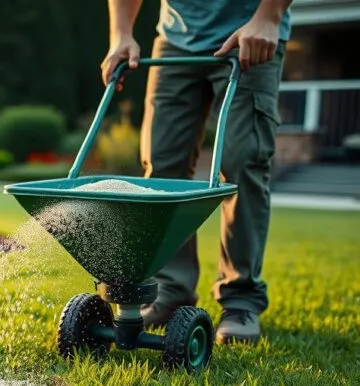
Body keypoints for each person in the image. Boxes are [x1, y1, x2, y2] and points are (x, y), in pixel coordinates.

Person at [101, 0, 292, 344]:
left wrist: (269, 17)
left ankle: (240, 299)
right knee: (161, 168)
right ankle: (171, 291)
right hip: (175, 39)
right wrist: (121, 34)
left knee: (242, 161)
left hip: (250, 32)